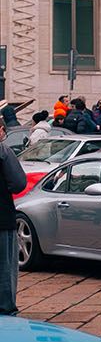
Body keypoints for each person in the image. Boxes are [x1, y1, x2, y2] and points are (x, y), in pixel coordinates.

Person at [0, 118, 27, 316]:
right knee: (4, 269)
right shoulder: (3, 151)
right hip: (1, 218)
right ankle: (5, 310)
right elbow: (18, 183)